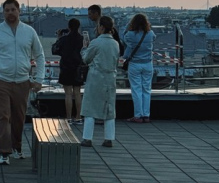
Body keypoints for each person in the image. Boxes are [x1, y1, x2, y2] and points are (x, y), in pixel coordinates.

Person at [0, 0, 45, 165]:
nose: (10, 13)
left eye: (13, 9)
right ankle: (4, 152)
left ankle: (17, 147)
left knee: (19, 117)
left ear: (19, 11)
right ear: (3, 13)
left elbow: (39, 55)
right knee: (3, 116)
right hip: (1, 80)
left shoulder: (29, 32)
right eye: (7, 10)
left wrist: (39, 79)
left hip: (22, 82)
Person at [80, 16, 120, 147]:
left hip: (96, 77)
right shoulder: (115, 44)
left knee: (90, 108)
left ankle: (87, 138)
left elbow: (86, 59)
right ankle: (109, 138)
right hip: (110, 77)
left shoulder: (96, 43)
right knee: (109, 109)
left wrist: (84, 48)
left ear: (101, 27)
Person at [123, 13, 156, 123]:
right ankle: (146, 115)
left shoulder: (130, 35)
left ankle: (138, 115)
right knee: (146, 89)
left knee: (136, 90)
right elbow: (154, 38)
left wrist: (128, 26)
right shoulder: (150, 34)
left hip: (135, 64)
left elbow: (124, 38)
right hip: (148, 64)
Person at [53, 18, 84, 124]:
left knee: (68, 94)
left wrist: (59, 37)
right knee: (77, 93)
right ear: (78, 27)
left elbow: (55, 50)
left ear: (68, 27)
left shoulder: (64, 39)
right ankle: (78, 117)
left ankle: (69, 118)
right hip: (78, 67)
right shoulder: (81, 39)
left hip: (66, 67)